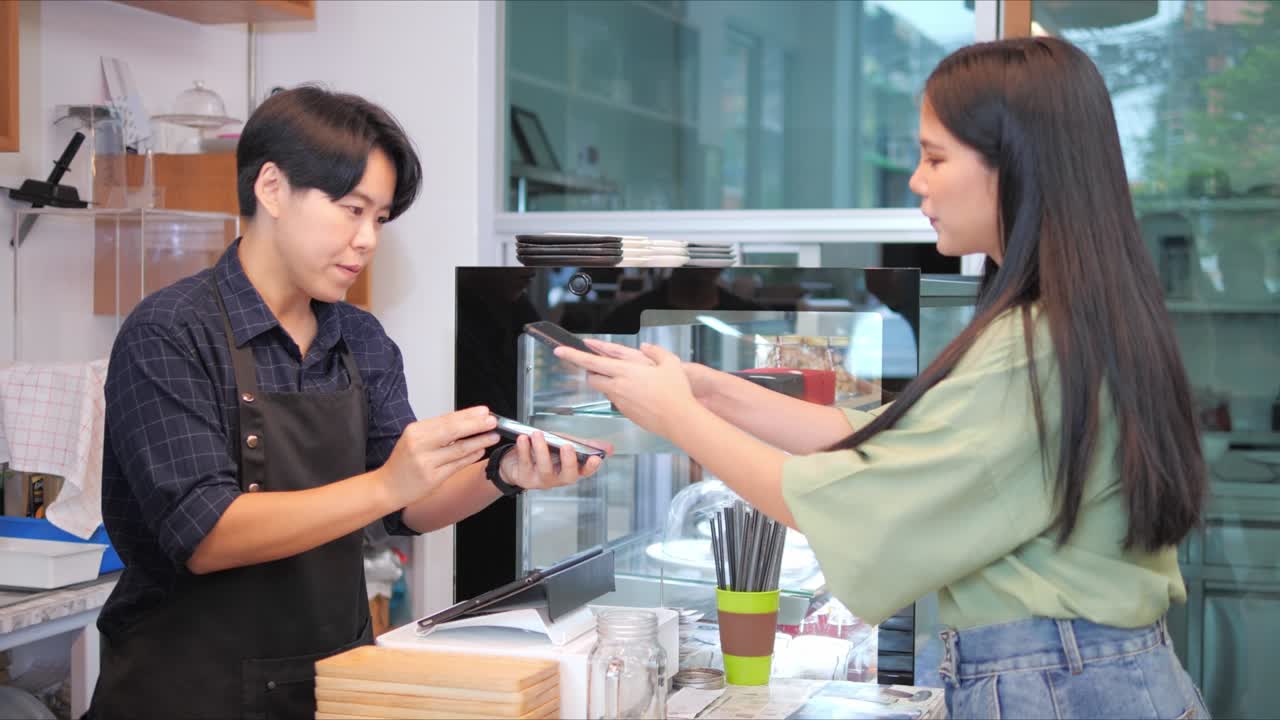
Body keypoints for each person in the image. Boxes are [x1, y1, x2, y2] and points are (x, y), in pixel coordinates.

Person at [555, 37, 1209, 719]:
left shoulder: (1033, 345)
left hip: (1059, 688)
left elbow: (852, 501)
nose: (915, 182)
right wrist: (709, 391)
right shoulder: (1066, 322)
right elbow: (889, 441)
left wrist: (678, 418)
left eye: (935, 157)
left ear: (1018, 164)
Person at [90, 86, 605, 720]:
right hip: (188, 692)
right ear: (272, 188)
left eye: (380, 219)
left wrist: (502, 475)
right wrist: (391, 482)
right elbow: (207, 534)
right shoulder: (170, 331)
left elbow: (407, 509)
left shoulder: (359, 338)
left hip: (335, 684)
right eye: (350, 209)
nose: (367, 240)